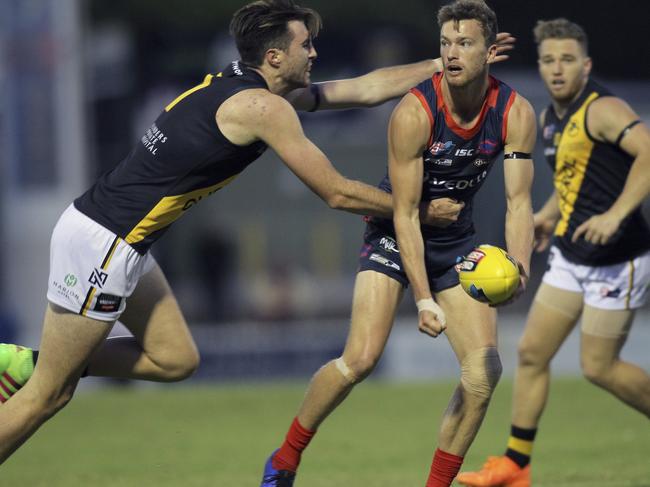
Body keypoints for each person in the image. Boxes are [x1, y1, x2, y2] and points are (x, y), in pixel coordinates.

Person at [0, 0, 518, 466]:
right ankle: (41, 372)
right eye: (305, 45)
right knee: (50, 396)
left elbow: (362, 89)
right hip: (104, 243)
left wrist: (442, 64)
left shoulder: (241, 84)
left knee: (176, 359)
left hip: (117, 238)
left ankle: (31, 361)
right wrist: (422, 212)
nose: (313, 53)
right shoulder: (264, 109)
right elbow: (337, 193)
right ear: (275, 58)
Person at [260, 1, 536, 486]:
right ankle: (284, 459)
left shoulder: (515, 112)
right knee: (360, 360)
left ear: (491, 52)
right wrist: (425, 300)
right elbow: (406, 214)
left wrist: (519, 267)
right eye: (445, 43)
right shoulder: (414, 112)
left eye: (465, 43)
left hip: (455, 243)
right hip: (394, 232)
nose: (451, 53)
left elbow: (518, 203)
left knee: (483, 372)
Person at [456, 18, 650, 487]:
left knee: (598, 368)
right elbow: (573, 180)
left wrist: (617, 214)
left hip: (616, 259)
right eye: (548, 60)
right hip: (570, 253)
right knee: (531, 353)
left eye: (566, 60)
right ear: (540, 66)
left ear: (585, 65)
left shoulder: (603, 108)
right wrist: (545, 215)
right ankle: (515, 466)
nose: (556, 69)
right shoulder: (549, 118)